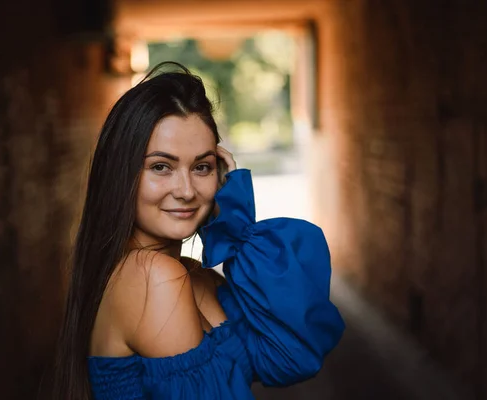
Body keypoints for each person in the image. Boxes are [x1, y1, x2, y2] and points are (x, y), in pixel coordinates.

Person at [51, 62, 345, 400]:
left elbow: (288, 355)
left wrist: (234, 216)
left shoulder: (193, 276)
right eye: (161, 166)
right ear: (121, 174)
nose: (187, 190)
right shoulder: (153, 277)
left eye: (201, 166)